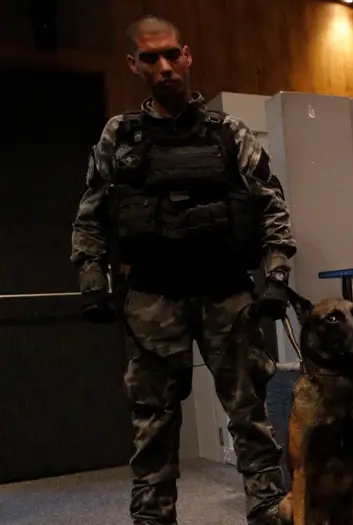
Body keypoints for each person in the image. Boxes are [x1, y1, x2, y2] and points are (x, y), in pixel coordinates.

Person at [70, 15, 293, 525]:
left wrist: (275, 274)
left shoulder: (227, 132)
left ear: (187, 55)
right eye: (151, 58)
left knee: (251, 420)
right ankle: (153, 518)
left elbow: (272, 205)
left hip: (227, 296)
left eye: (172, 54)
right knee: (154, 424)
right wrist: (91, 280)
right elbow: (91, 213)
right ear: (134, 65)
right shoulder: (119, 136)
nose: (165, 66)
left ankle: (267, 512)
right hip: (152, 298)